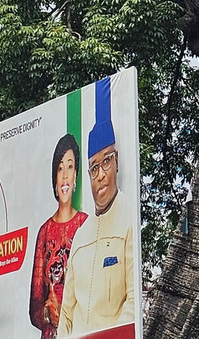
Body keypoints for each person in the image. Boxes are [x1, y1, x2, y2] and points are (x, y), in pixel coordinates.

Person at [60, 78, 135, 336]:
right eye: (94, 167)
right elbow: (66, 315)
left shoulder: (129, 220)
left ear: (117, 163)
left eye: (106, 162)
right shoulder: (80, 236)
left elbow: (134, 301)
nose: (101, 174)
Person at [29, 134, 88, 339]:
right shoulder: (44, 232)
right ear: (54, 176)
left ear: (76, 176)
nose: (64, 176)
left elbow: (96, 291)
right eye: (60, 168)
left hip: (80, 332)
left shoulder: (86, 224)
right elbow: (34, 304)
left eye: (70, 167)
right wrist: (47, 313)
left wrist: (64, 314)